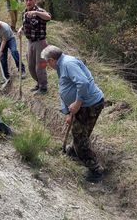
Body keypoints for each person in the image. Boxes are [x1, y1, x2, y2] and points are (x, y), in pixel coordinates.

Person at [41, 45, 105, 183]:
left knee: (80, 137)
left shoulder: (68, 64)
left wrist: (77, 103)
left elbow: (83, 83)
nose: (47, 65)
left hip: (90, 105)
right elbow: (66, 87)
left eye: (47, 61)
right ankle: (73, 152)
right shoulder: (62, 65)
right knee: (81, 133)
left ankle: (96, 170)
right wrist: (68, 112)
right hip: (84, 106)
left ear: (52, 60)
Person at [17, 0, 51, 95]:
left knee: (40, 66)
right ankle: (38, 83)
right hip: (30, 42)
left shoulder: (39, 11)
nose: (28, 2)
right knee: (31, 66)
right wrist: (20, 29)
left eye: (30, 0)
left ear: (34, 1)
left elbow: (48, 17)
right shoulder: (24, 12)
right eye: (26, 0)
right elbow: (25, 25)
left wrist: (36, 13)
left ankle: (43, 87)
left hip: (40, 42)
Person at [0, 18, 26, 86]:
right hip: (2, 40)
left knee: (14, 52)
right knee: (2, 59)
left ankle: (22, 70)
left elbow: (4, 41)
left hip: (10, 39)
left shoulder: (5, 28)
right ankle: (6, 76)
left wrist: (0, 51)